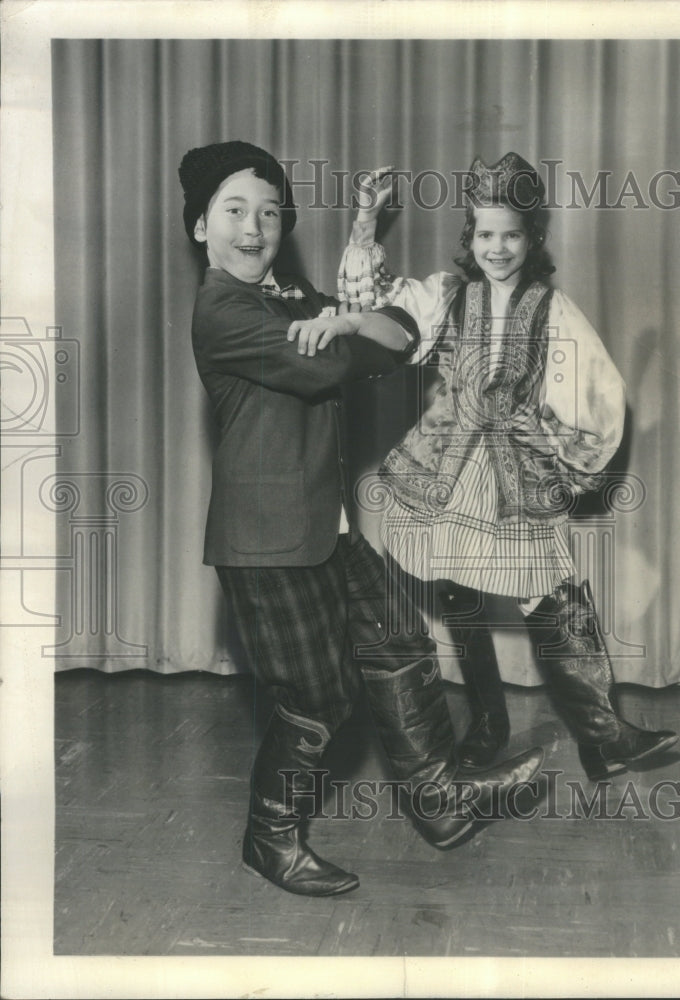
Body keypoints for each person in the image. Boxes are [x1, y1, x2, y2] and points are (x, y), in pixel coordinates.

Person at [177, 141, 544, 899]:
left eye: (270, 212)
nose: (255, 227)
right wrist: (354, 330)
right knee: (316, 699)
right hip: (267, 540)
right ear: (199, 228)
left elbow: (386, 349)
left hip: (325, 521)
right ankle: (269, 837)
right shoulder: (222, 308)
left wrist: (356, 273)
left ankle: (442, 802)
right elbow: (337, 361)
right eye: (235, 211)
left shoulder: (287, 295)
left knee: (397, 642)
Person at [337, 152, 678, 781]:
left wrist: (551, 436)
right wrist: (365, 220)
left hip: (509, 474)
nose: (498, 248)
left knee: (550, 591)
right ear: (471, 236)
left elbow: (602, 395)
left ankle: (603, 737)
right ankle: (490, 726)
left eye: (512, 234)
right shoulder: (446, 296)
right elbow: (373, 309)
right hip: (441, 467)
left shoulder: (553, 308)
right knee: (455, 595)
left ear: (533, 238)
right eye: (486, 234)